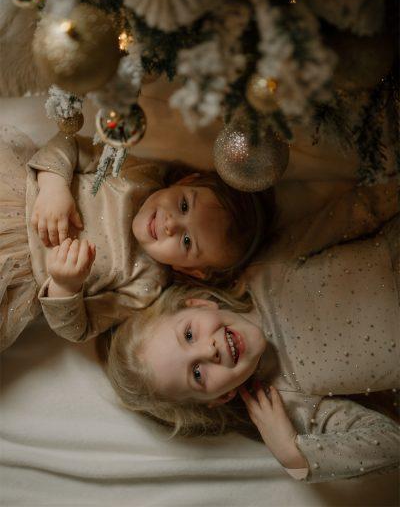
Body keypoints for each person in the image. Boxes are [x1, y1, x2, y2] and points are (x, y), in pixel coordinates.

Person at [105, 179, 400, 483]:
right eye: (197, 374)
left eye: (189, 335)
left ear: (199, 304)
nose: (209, 351)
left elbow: (358, 210)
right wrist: (292, 456)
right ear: (221, 397)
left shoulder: (265, 267)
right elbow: (391, 442)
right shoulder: (284, 401)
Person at [0, 125, 271, 352]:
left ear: (189, 270)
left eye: (187, 242)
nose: (170, 224)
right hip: (13, 196)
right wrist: (54, 186)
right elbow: (69, 143)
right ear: (187, 181)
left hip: (15, 280)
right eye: (184, 205)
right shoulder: (138, 174)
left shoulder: (146, 285)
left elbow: (78, 328)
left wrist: (65, 285)